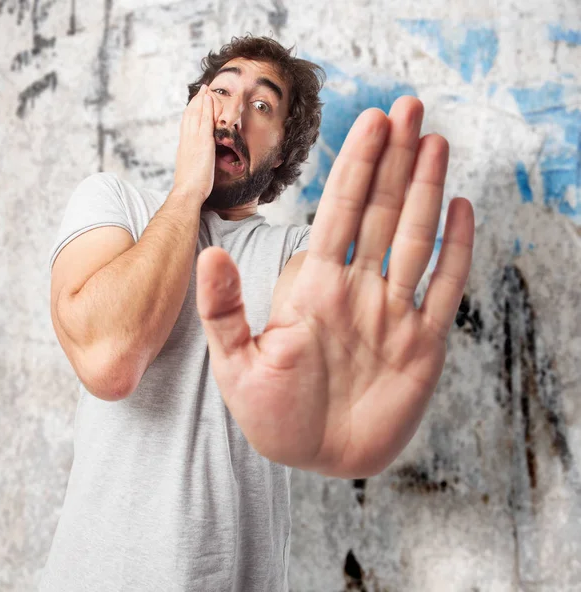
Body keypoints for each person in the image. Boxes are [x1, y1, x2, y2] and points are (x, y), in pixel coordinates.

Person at [41, 34, 474, 591]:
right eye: (221, 91)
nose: (234, 113)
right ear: (195, 108)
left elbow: (311, 309)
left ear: (283, 153)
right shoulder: (114, 205)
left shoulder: (300, 253)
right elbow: (110, 360)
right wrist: (186, 192)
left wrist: (345, 388)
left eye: (263, 105)